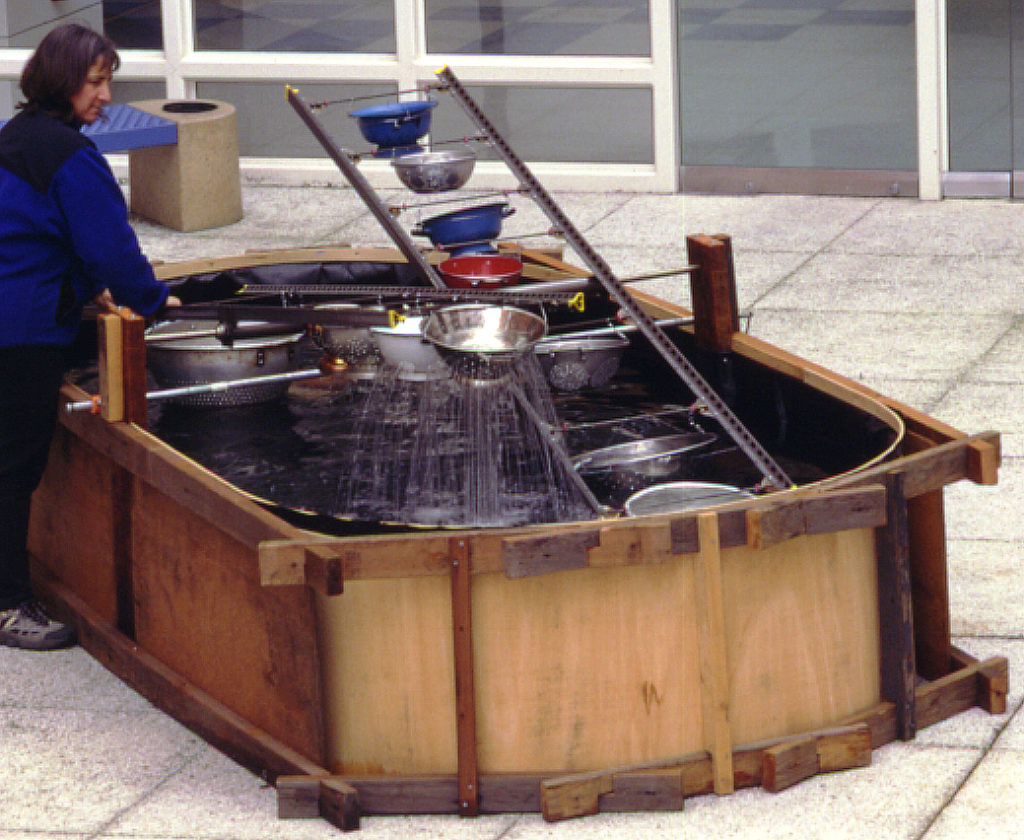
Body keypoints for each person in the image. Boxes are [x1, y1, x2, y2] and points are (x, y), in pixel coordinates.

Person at [0, 23, 179, 650]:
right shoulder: (72, 156)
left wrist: (79, 288)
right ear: (63, 80)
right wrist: (152, 301)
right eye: (96, 82)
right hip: (19, 330)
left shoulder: (16, 136)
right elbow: (112, 248)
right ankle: (8, 605)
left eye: (108, 82)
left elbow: (25, 230)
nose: (105, 96)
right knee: (15, 465)